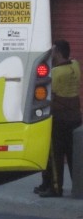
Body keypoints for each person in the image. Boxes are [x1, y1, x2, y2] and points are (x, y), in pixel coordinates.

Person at [35, 40, 82, 197]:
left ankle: (55, 187)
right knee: (73, 154)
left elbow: (50, 97)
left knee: (55, 156)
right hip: (75, 118)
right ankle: (78, 186)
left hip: (59, 119)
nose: (51, 54)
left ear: (59, 53)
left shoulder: (55, 74)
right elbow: (72, 59)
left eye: (53, 51)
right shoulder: (75, 66)